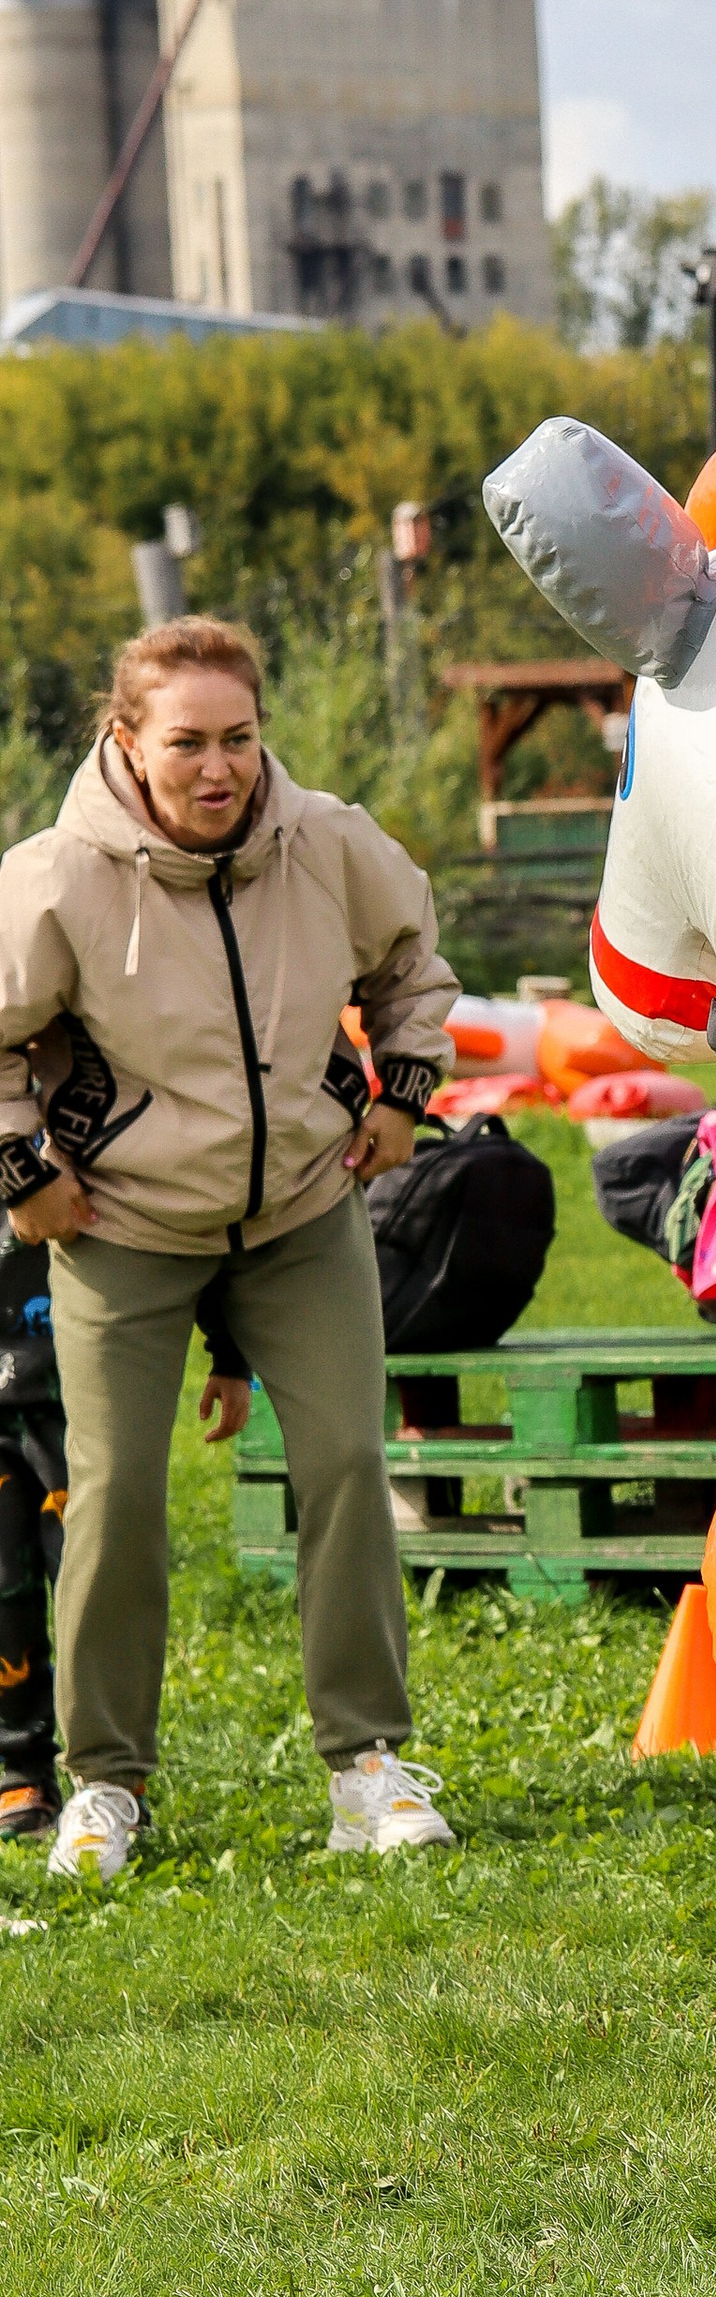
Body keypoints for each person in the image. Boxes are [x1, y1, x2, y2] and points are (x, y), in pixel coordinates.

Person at [0, 617, 460, 1881]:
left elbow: (415, 963)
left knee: (348, 1463)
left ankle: (366, 1769)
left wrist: (399, 1094)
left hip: (302, 1211)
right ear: (126, 743)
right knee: (116, 1498)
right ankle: (106, 1786)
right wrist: (22, 1172)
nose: (220, 769)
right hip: (124, 1226)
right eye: (188, 742)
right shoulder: (52, 878)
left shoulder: (326, 843)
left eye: (240, 739)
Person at [0, 1233, 250, 1849]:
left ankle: (112, 1776)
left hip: (86, 1400)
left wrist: (229, 1352)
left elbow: (191, 1216)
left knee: (97, 1577)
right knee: (3, 1589)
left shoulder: (82, 1137)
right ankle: (19, 1766)